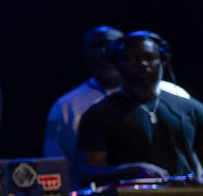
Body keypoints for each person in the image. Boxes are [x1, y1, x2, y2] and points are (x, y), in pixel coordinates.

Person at [44, 25, 190, 163]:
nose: (103, 53)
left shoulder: (175, 95)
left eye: (110, 46)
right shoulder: (65, 105)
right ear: (85, 55)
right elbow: (56, 163)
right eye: (95, 48)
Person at [75, 31, 203, 183]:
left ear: (162, 60)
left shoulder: (191, 108)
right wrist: (130, 171)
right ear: (117, 64)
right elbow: (88, 170)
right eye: (132, 59)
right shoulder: (99, 114)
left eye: (149, 58)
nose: (142, 64)